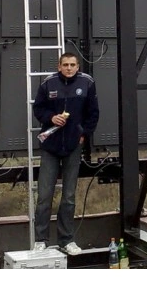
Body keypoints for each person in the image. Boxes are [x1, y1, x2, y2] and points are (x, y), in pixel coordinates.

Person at [32, 52, 99, 255]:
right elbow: (38, 109)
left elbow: (93, 113)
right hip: (50, 147)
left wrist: (83, 134)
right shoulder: (48, 83)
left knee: (69, 197)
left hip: (72, 147)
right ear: (59, 66)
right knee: (44, 195)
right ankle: (41, 240)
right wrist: (51, 118)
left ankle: (66, 240)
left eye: (72, 65)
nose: (69, 68)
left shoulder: (87, 83)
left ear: (78, 66)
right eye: (65, 65)